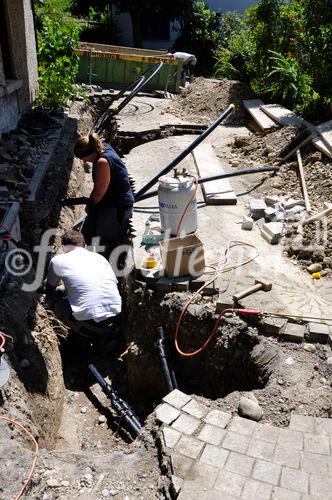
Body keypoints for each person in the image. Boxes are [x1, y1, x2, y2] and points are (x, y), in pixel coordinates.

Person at [46, 230, 122, 336]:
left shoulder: (58, 261)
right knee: (66, 290)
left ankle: (85, 338)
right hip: (117, 318)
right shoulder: (100, 258)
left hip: (98, 328)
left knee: (54, 299)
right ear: (85, 246)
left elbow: (50, 288)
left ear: (63, 248)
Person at [73, 132, 134, 257]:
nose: (84, 161)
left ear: (90, 154)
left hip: (117, 208)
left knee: (106, 241)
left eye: (83, 158)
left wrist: (89, 206)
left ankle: (107, 266)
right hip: (110, 202)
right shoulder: (102, 147)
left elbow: (98, 193)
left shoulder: (103, 162)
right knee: (92, 232)